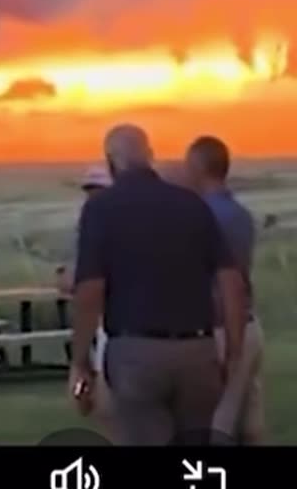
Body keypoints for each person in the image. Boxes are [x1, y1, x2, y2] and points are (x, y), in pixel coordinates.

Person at [69, 124, 248, 445]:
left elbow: (90, 290)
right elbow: (232, 281)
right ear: (150, 156)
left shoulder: (101, 209)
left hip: (136, 353)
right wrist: (233, 352)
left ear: (111, 161)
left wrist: (81, 361)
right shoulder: (192, 204)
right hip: (198, 351)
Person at [184, 136, 267, 444]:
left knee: (217, 424)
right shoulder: (240, 214)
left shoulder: (201, 217)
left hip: (221, 327)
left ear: (197, 167)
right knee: (249, 426)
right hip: (248, 324)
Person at [55, 165, 116, 440]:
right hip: (101, 323)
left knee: (108, 397)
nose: (93, 197)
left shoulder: (115, 225)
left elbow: (90, 282)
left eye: (98, 190)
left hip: (115, 323)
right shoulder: (89, 227)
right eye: (90, 191)